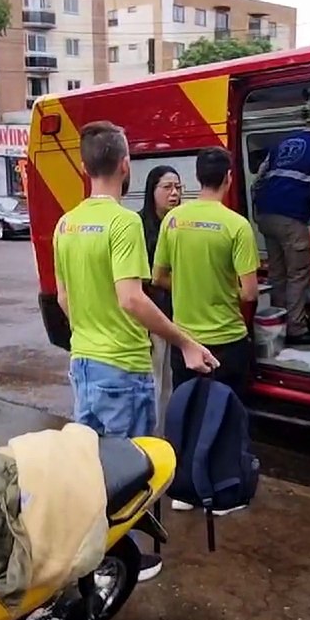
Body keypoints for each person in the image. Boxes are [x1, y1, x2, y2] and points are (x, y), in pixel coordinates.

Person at [54, 121, 219, 580]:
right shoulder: (123, 222)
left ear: (86, 166)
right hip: (122, 368)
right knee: (127, 473)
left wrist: (89, 332)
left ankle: (89, 556)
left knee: (91, 467)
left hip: (83, 363)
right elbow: (131, 297)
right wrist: (185, 341)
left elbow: (65, 299)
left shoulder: (66, 222)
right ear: (125, 165)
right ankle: (120, 561)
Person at [154, 148, 259, 515]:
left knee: (188, 415)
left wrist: (187, 287)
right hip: (228, 341)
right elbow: (249, 292)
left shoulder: (174, 221)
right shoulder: (236, 226)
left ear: (197, 178)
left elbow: (158, 276)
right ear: (229, 178)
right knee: (227, 417)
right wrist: (221, 289)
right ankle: (223, 494)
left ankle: (184, 492)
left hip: (186, 343)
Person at [252, 111, 310, 345]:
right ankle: (296, 328)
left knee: (277, 273)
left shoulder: (280, 144)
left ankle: (279, 324)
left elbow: (258, 180)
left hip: (266, 215)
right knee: (298, 274)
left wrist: (258, 210)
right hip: (291, 216)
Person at [139, 165, 183, 436]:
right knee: (154, 382)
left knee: (169, 382)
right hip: (150, 316)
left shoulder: (181, 223)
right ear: (152, 190)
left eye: (178, 187)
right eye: (167, 187)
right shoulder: (139, 226)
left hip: (176, 314)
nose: (174, 193)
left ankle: (164, 438)